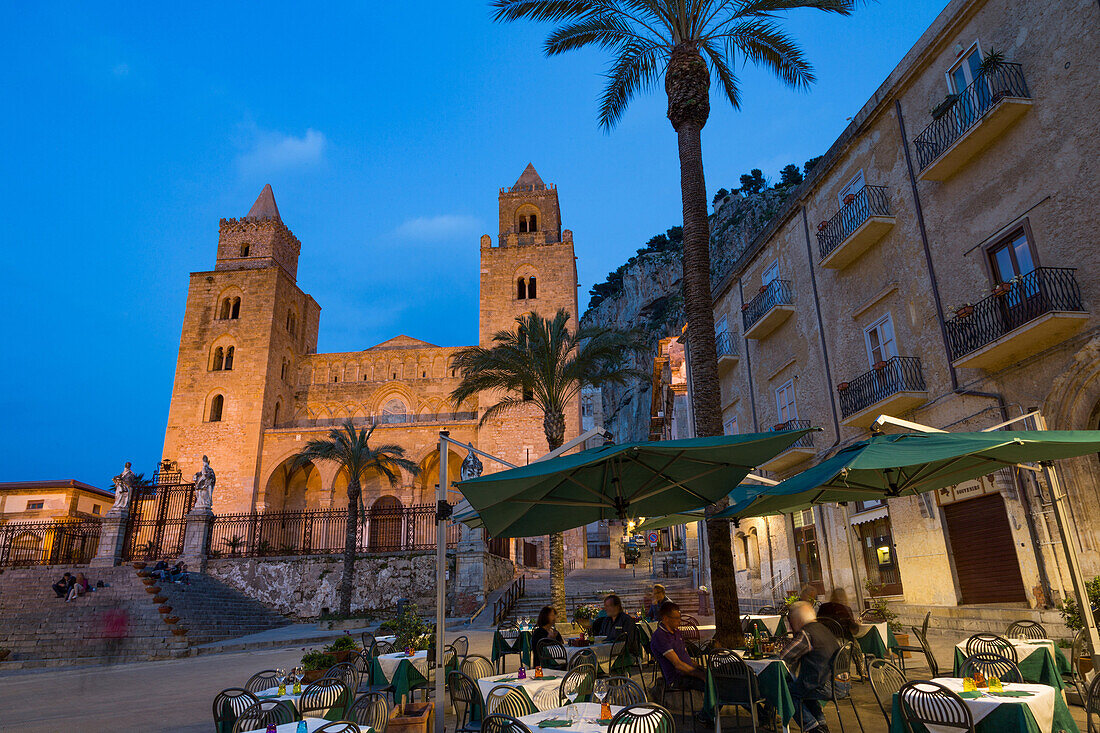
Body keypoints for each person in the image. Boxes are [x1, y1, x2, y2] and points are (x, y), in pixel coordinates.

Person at [778, 601, 841, 733]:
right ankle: (821, 726)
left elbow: (785, 655)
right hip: (841, 683)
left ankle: (812, 728)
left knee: (788, 691)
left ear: (797, 619)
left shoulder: (807, 633)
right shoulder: (823, 628)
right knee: (803, 688)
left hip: (826, 685)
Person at [649, 601, 711, 724]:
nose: (679, 621)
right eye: (676, 618)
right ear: (666, 618)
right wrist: (700, 675)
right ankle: (706, 716)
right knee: (712, 685)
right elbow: (677, 664)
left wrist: (701, 667)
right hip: (678, 677)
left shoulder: (676, 632)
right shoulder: (660, 636)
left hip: (688, 672)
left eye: (679, 618)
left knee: (721, 680)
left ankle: (708, 714)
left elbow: (685, 657)